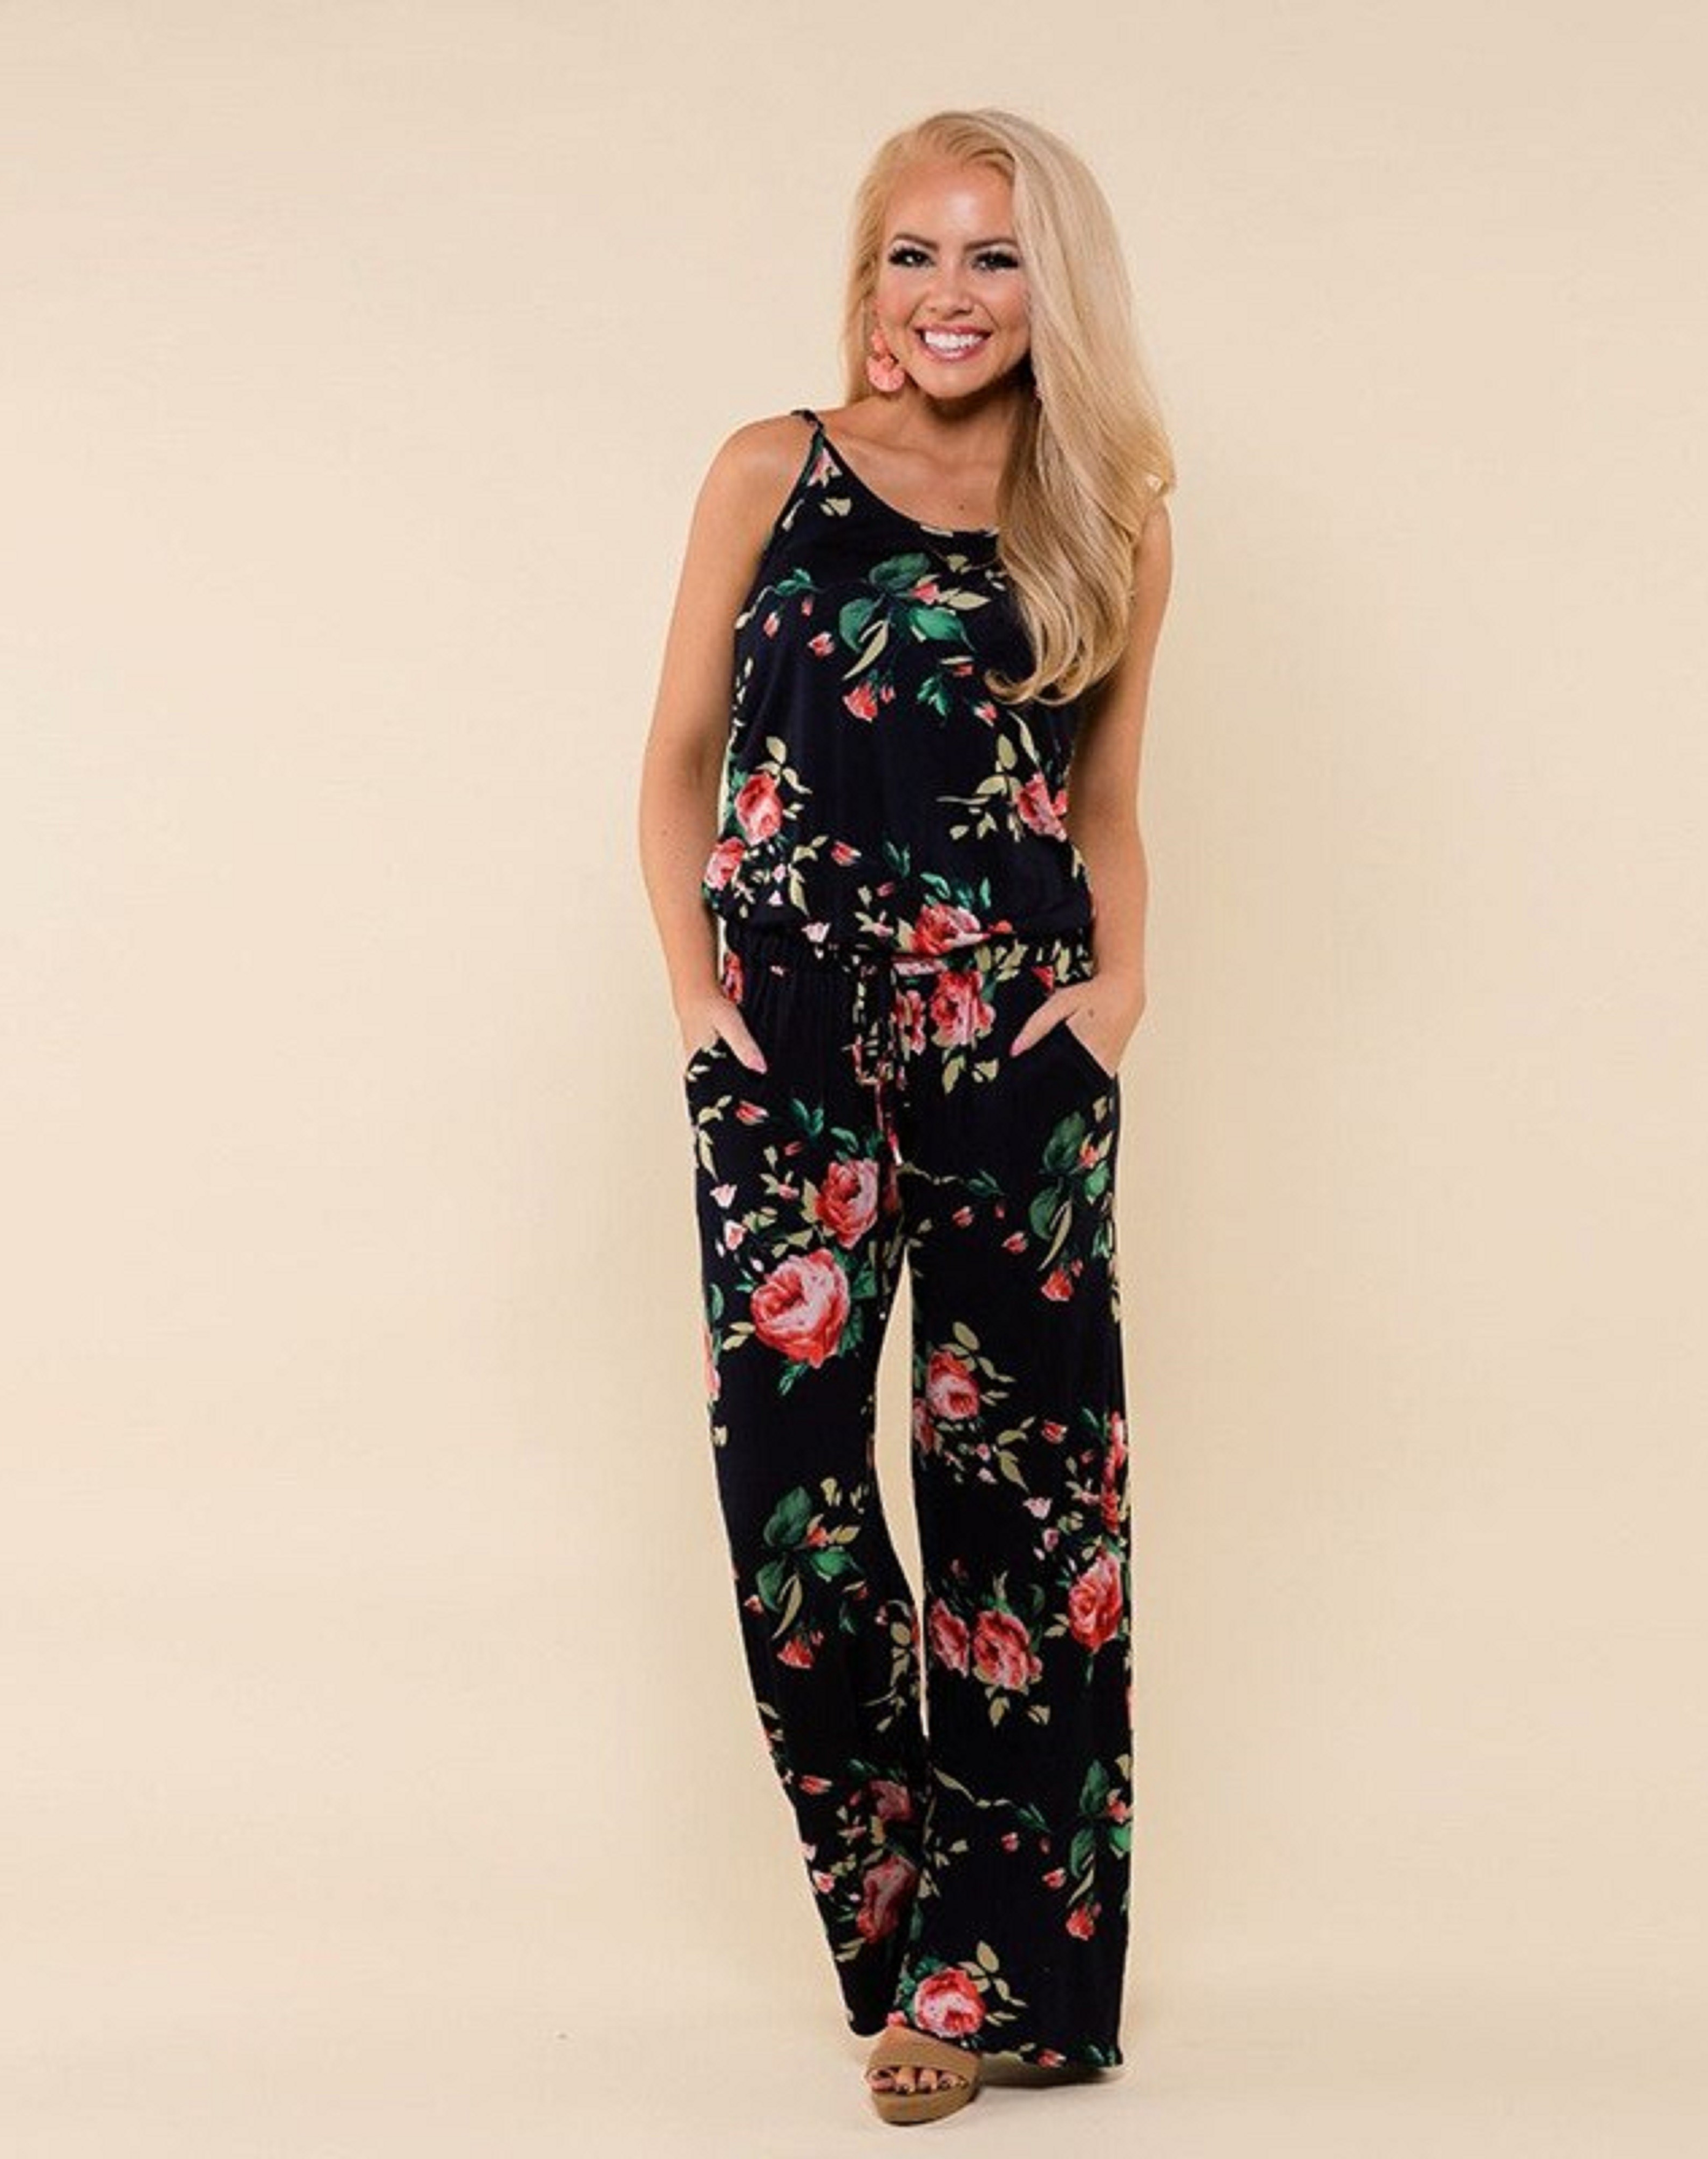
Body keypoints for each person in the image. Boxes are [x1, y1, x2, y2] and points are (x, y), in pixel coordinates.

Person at [637, 106, 1174, 2126]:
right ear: (870, 281)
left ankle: (991, 1977)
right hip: (785, 1044)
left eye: (996, 256)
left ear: (1055, 289)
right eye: (915, 254)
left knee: (1031, 1500)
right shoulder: (766, 469)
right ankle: (899, 1932)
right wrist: (700, 1001)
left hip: (1014, 1051)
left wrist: (1114, 999)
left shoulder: (1107, 515)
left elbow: (1108, 807)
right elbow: (679, 759)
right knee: (790, 1477)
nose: (951, 295)